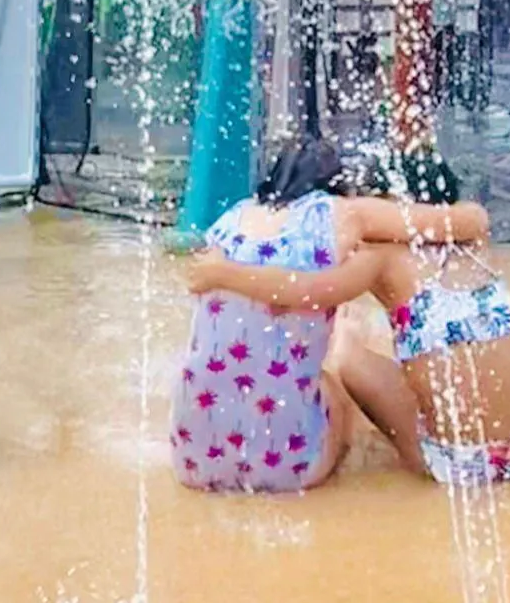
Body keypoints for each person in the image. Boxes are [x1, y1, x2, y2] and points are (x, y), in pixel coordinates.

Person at [186, 167, 510, 486]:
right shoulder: (473, 240)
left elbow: (304, 292)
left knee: (348, 359)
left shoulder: (377, 257)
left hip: (452, 465)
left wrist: (223, 275)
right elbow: (476, 216)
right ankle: (508, 432)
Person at [171, 140, 489, 493]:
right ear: (337, 183)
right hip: (292, 470)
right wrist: (473, 213)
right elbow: (463, 224)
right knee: (333, 384)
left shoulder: (229, 221)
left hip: (191, 459)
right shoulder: (341, 213)